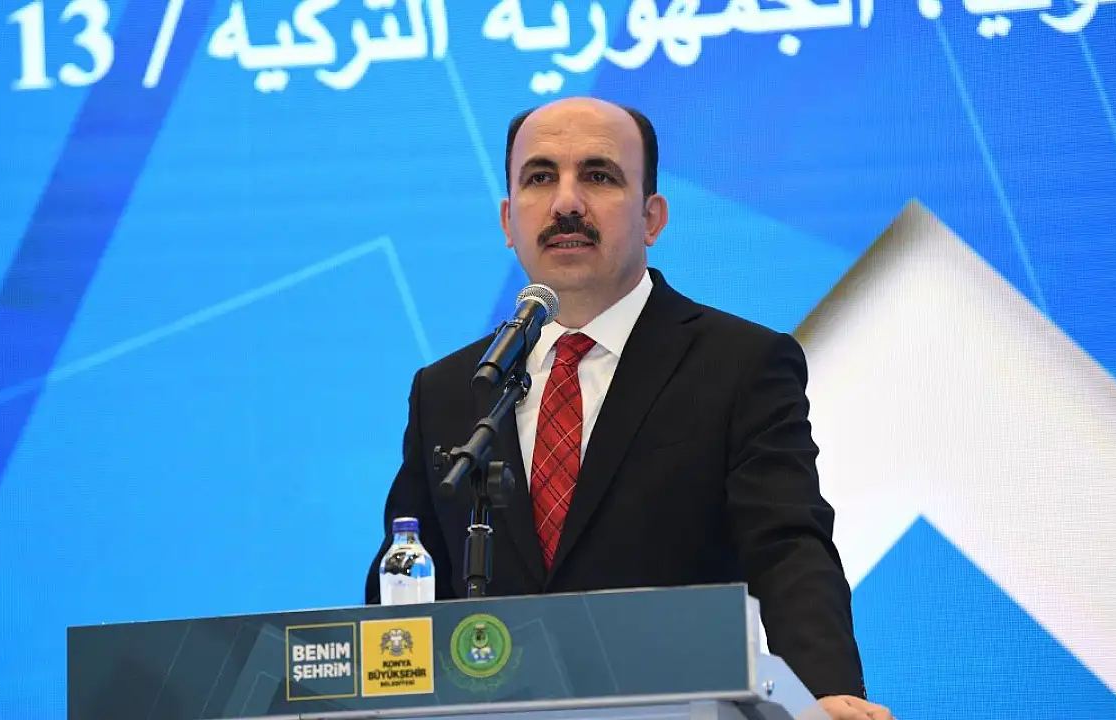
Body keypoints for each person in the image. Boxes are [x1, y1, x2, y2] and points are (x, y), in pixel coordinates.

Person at [365, 96, 894, 720]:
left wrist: (824, 692)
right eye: (540, 178)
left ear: (652, 217)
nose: (566, 203)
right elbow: (406, 570)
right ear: (508, 220)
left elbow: (787, 546)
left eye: (598, 176)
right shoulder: (453, 388)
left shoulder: (739, 365)